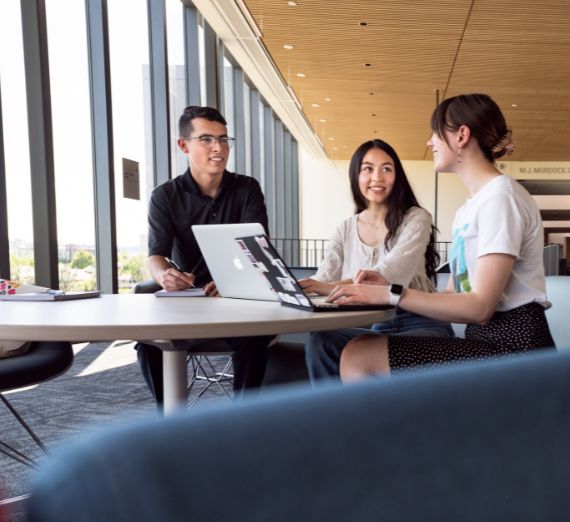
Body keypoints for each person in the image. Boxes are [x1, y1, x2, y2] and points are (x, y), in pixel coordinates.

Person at [327, 93, 555, 381]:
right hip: (484, 342)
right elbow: (452, 294)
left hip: (512, 349)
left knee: (361, 355)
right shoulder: (469, 208)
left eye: (435, 132)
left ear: (462, 135)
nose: (429, 142)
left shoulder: (501, 198)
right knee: (356, 348)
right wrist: (385, 288)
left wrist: (391, 293)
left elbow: (481, 307)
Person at [135, 106, 273, 407]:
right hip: (189, 302)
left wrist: (235, 281)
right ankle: (170, 422)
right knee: (148, 346)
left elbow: (258, 250)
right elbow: (156, 255)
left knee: (254, 337)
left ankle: (243, 420)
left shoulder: (247, 189)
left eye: (224, 139)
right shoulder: (165, 196)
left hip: (239, 301)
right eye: (207, 139)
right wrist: (164, 276)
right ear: (184, 145)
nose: (219, 148)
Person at [302, 139, 453, 381]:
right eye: (367, 169)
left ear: (397, 176)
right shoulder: (345, 228)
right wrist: (295, 286)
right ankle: (333, 416)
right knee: (322, 341)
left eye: (386, 169)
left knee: (363, 350)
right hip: (376, 324)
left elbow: (389, 275)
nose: (377, 178)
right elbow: (323, 278)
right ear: (356, 176)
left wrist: (328, 287)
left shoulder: (416, 218)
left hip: (421, 321)